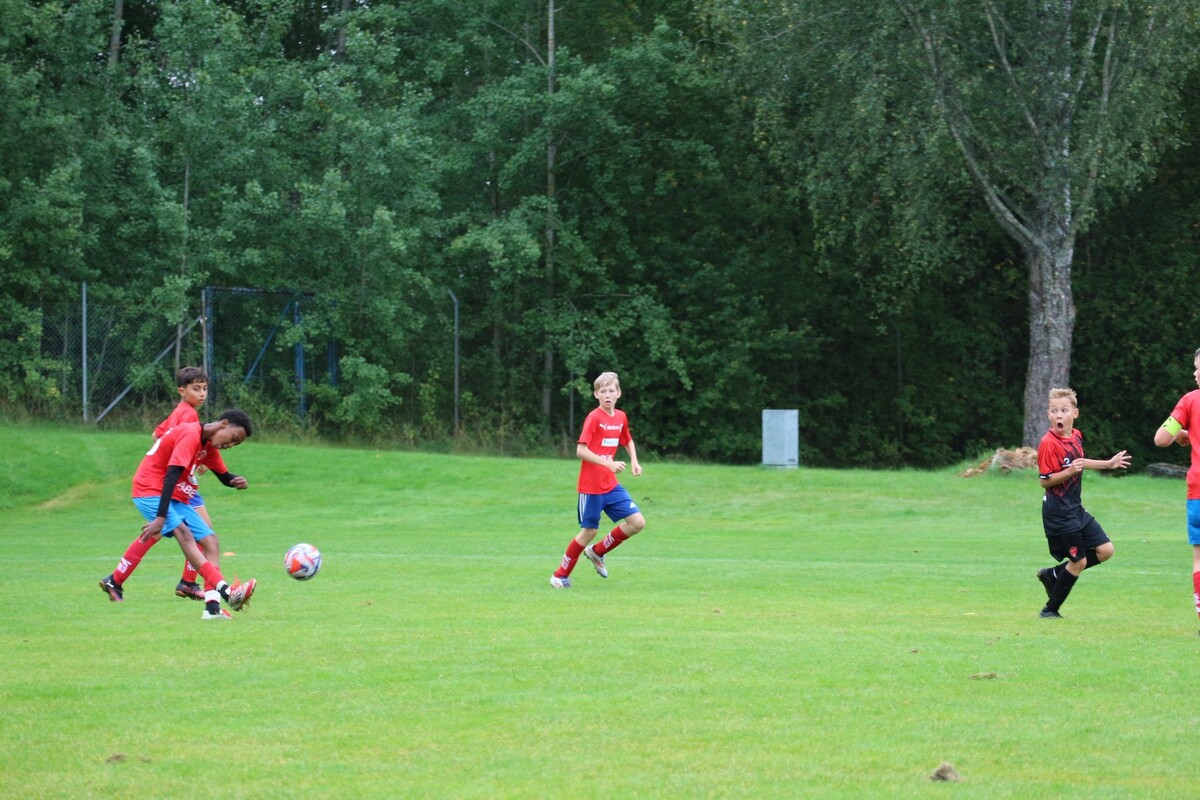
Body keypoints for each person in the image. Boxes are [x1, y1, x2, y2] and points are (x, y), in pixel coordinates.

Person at [98, 409, 257, 620]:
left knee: (211, 541)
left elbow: (223, 475)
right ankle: (228, 593)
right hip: (148, 490)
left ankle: (212, 609)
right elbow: (171, 476)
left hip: (175, 496)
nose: (231, 445)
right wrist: (160, 518)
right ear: (224, 425)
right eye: (233, 438)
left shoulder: (208, 445)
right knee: (185, 535)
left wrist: (234, 481)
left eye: (236, 444)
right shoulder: (190, 434)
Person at [1034, 387, 1131, 618]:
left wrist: (1108, 464)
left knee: (1106, 550)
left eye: (1064, 410)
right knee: (1078, 562)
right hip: (1059, 513)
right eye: (1054, 411)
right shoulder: (1048, 443)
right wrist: (1069, 472)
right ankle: (1049, 610)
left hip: (1075, 509)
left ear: (1074, 413)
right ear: (1048, 414)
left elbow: (1080, 462)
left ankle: (1054, 574)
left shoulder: (1076, 435)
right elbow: (1045, 481)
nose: (1059, 415)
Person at [550, 372, 646, 588]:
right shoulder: (594, 418)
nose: (607, 395)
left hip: (611, 485)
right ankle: (559, 575)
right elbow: (580, 450)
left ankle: (597, 551)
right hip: (591, 488)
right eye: (603, 391)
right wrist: (608, 464)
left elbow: (627, 440)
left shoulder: (620, 417)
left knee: (637, 523)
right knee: (589, 532)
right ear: (596, 395)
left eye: (611, 390)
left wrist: (634, 460)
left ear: (619, 393)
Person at [153, 366, 216, 601]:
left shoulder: (178, 411)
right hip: (180, 483)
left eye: (205, 389)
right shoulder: (189, 415)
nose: (202, 394)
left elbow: (157, 436)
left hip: (176, 479)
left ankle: (188, 582)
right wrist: (189, 461)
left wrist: (191, 459)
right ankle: (193, 585)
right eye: (196, 389)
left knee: (195, 532)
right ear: (182, 391)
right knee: (205, 535)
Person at [1153, 347, 1200, 626]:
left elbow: (1161, 439)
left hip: (1198, 491)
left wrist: (1183, 431)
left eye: (1197, 368)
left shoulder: (1190, 401)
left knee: (1199, 559)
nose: (1194, 374)